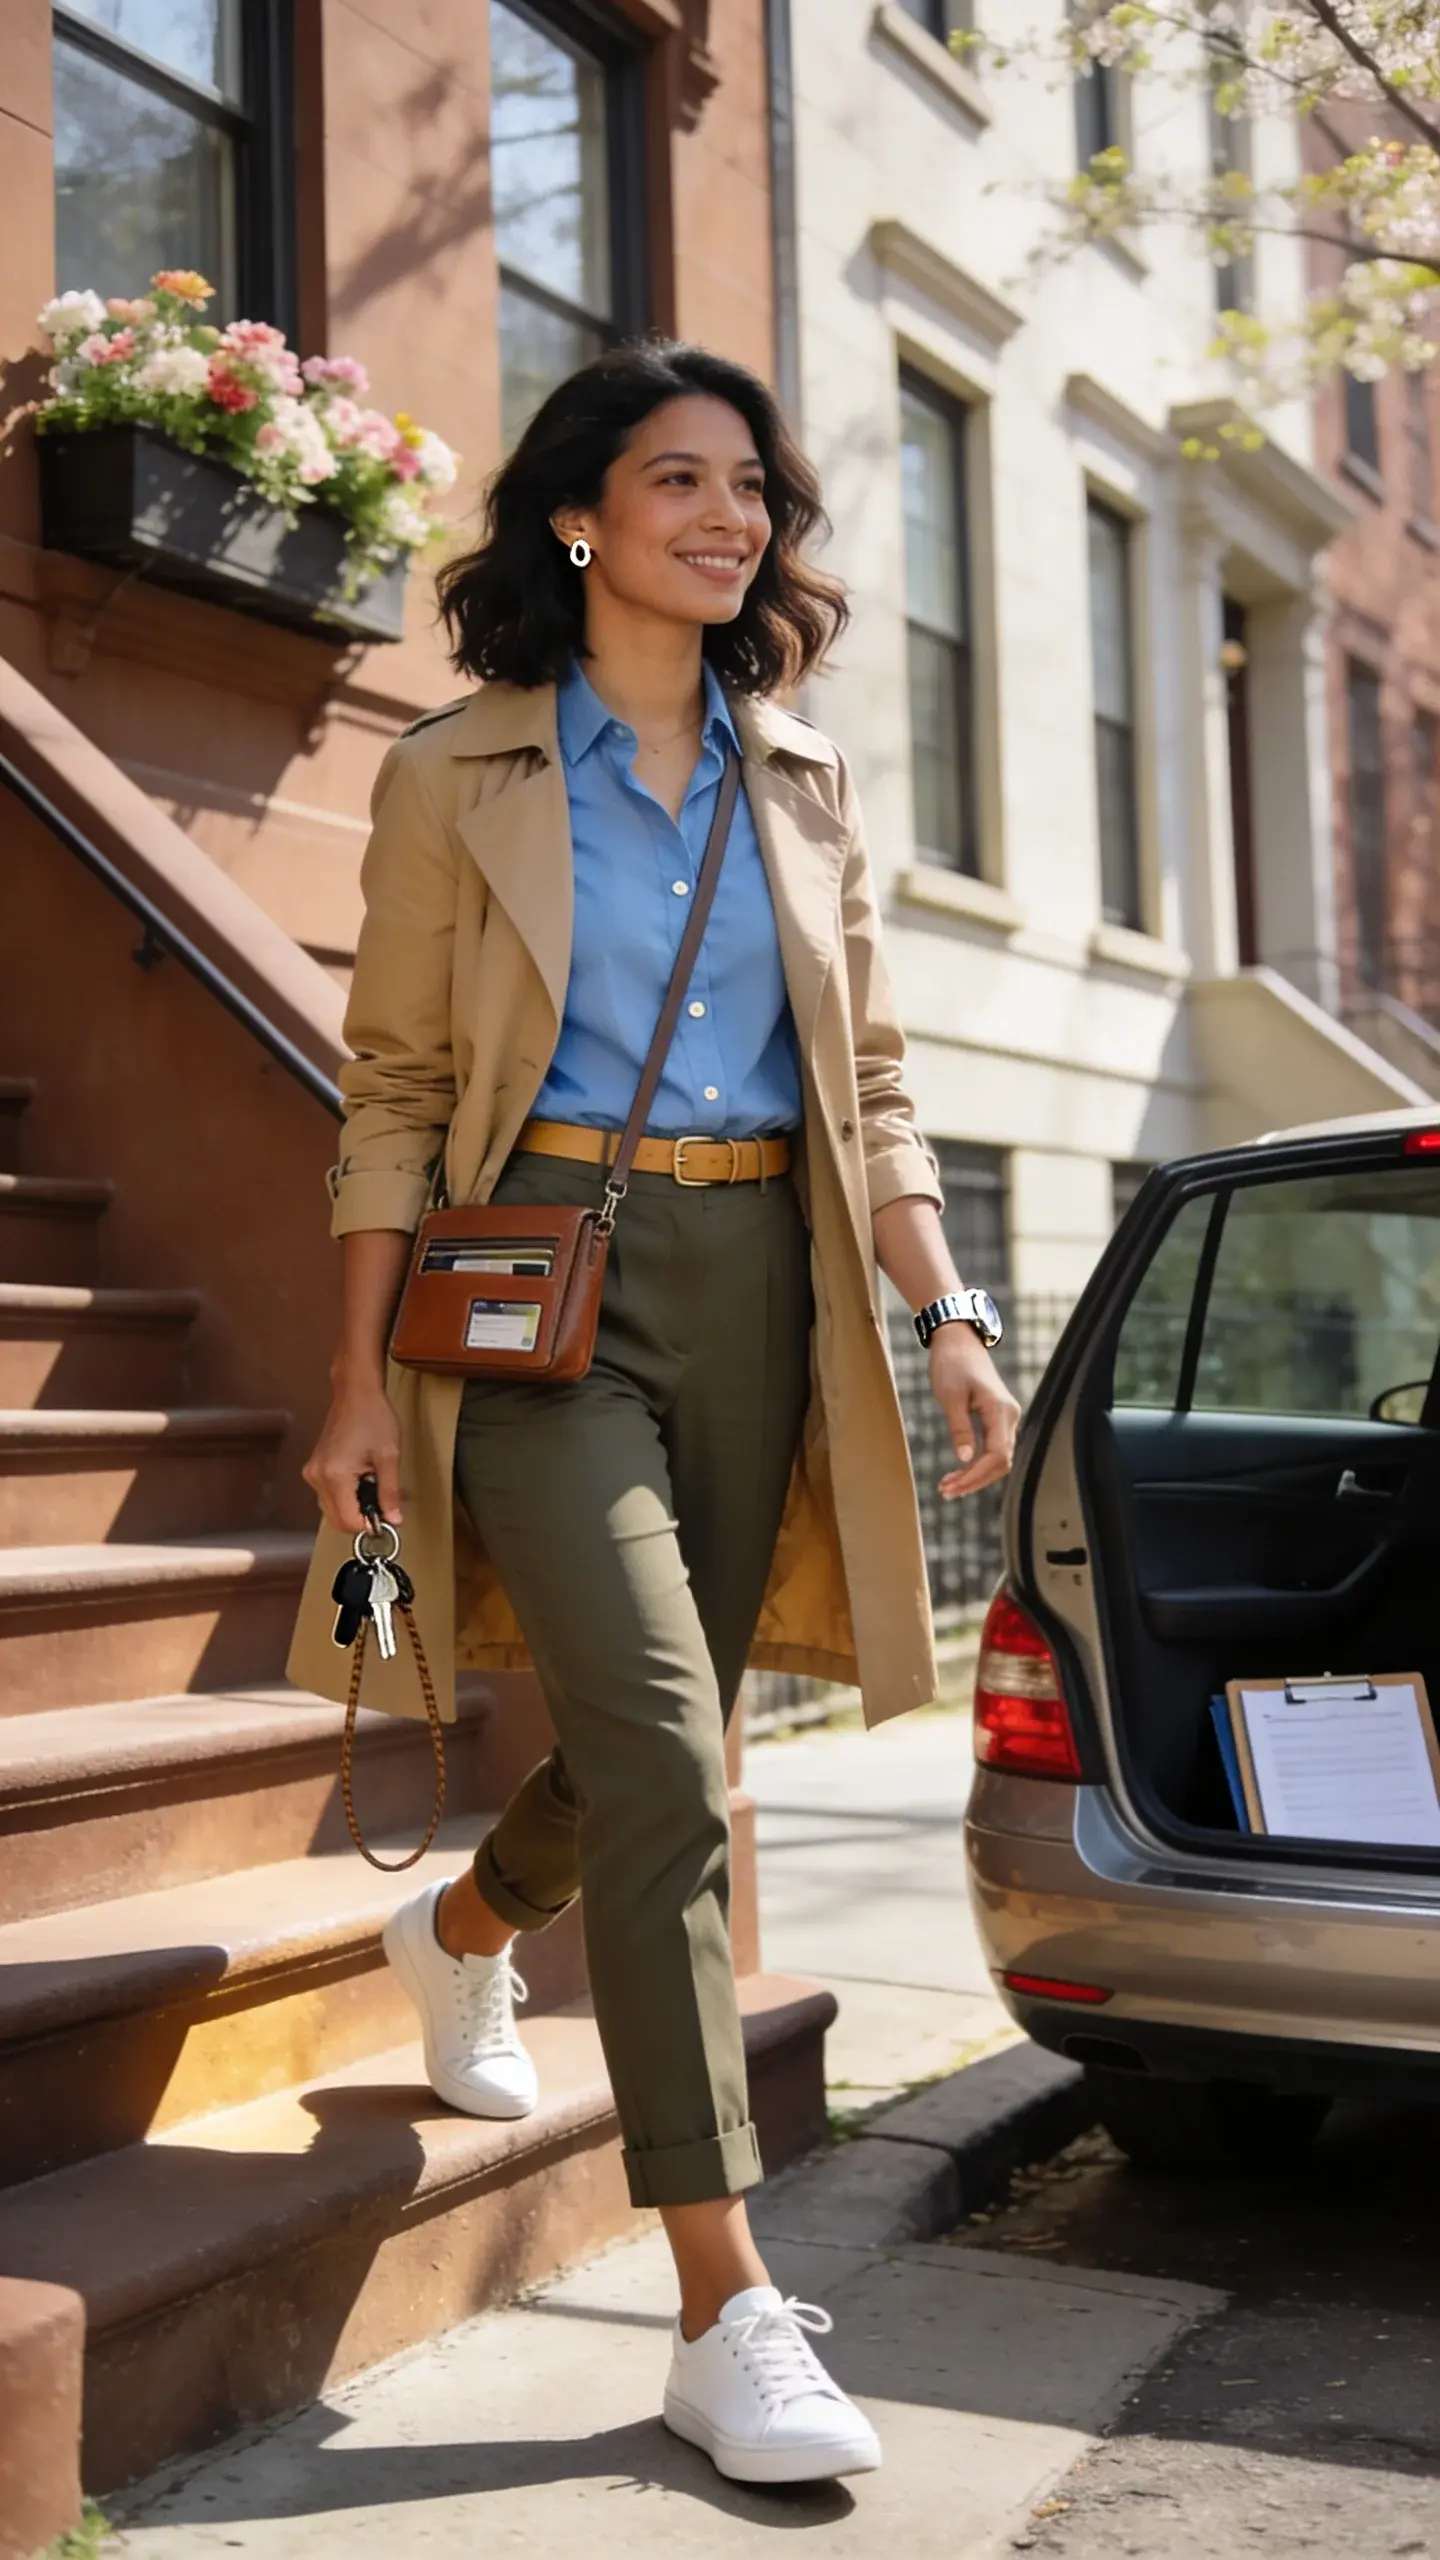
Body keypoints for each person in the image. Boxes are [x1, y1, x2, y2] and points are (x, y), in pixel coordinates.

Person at [292, 337, 1020, 2488]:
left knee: (662, 1742)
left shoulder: (801, 778)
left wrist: (952, 1312)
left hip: (762, 1283)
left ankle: (460, 1927)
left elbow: (871, 1084)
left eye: (755, 489)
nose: (733, 516)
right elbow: (399, 1094)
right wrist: (349, 1377)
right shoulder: (460, 773)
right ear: (584, 516)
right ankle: (724, 2296)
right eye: (682, 479)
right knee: (668, 1746)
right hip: (534, 1293)